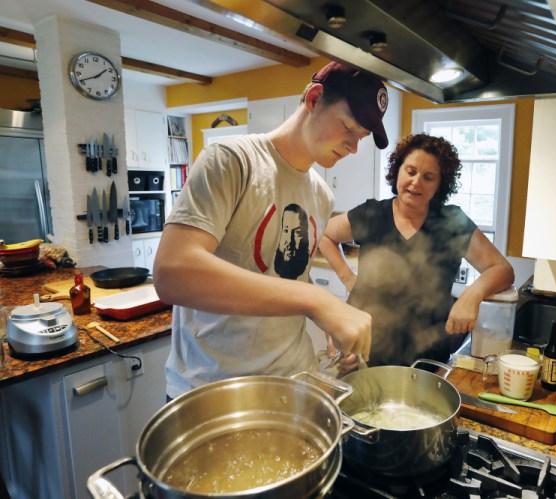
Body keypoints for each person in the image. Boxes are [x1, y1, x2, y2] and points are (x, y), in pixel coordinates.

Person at [153, 62, 390, 400]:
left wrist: (330, 321)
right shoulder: (231, 160)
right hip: (212, 392)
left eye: (361, 138)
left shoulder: (322, 195)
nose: (353, 147)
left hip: (293, 385)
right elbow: (172, 273)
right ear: (313, 98)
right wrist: (317, 301)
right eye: (348, 127)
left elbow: (285, 278)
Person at [318, 133, 514, 372]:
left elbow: (502, 269)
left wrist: (472, 294)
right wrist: (349, 278)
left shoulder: (453, 223)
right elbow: (324, 235)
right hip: (364, 354)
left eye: (428, 177)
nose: (416, 182)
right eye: (410, 171)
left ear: (440, 184)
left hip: (426, 363)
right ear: (398, 171)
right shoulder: (372, 214)